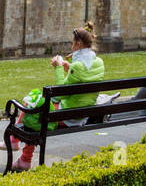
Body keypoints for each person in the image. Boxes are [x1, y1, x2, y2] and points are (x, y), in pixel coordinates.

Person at [11, 23, 105, 172]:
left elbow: (62, 92)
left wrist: (58, 68)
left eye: (72, 43)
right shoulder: (98, 63)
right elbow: (82, 77)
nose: (71, 45)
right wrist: (69, 68)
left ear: (79, 44)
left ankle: (21, 152)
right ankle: (17, 148)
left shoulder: (78, 66)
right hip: (85, 113)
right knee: (38, 105)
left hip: (69, 115)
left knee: (35, 107)